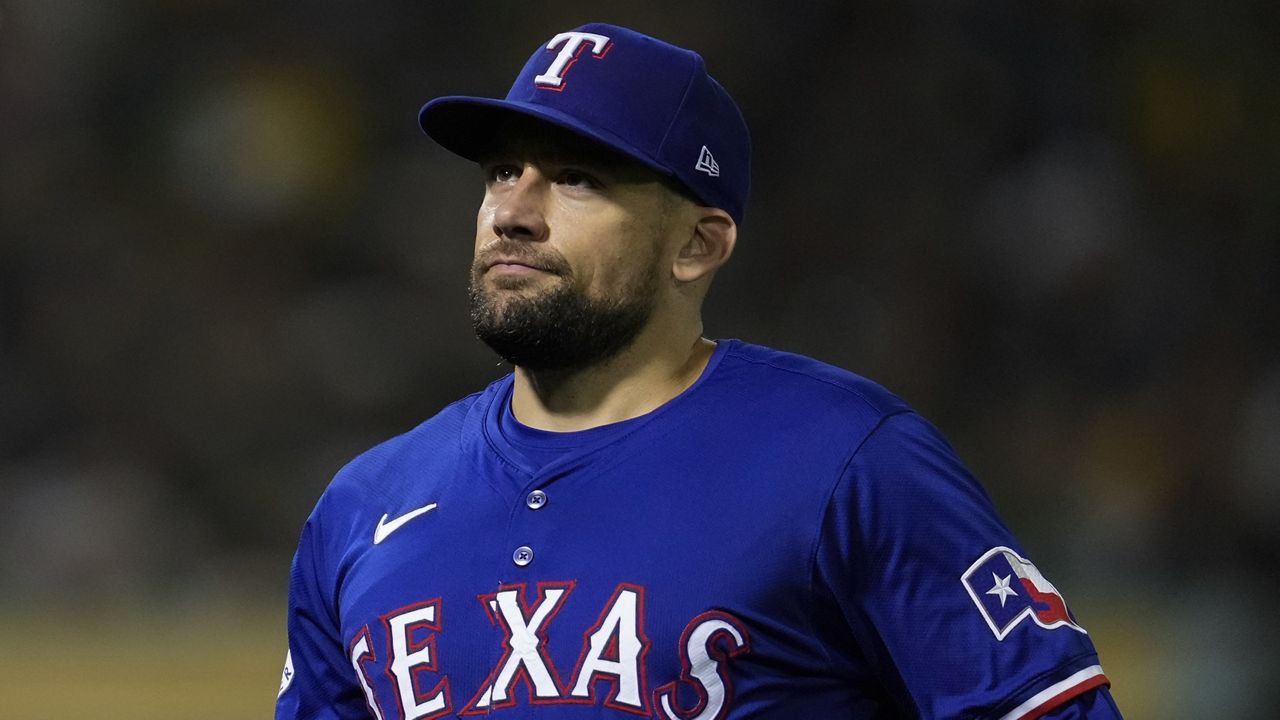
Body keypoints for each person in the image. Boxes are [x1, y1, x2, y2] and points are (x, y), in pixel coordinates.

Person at [276, 22, 1123, 720]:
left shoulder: (847, 462)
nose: (513, 213)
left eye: (576, 178)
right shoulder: (363, 506)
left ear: (698, 243)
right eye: (504, 170)